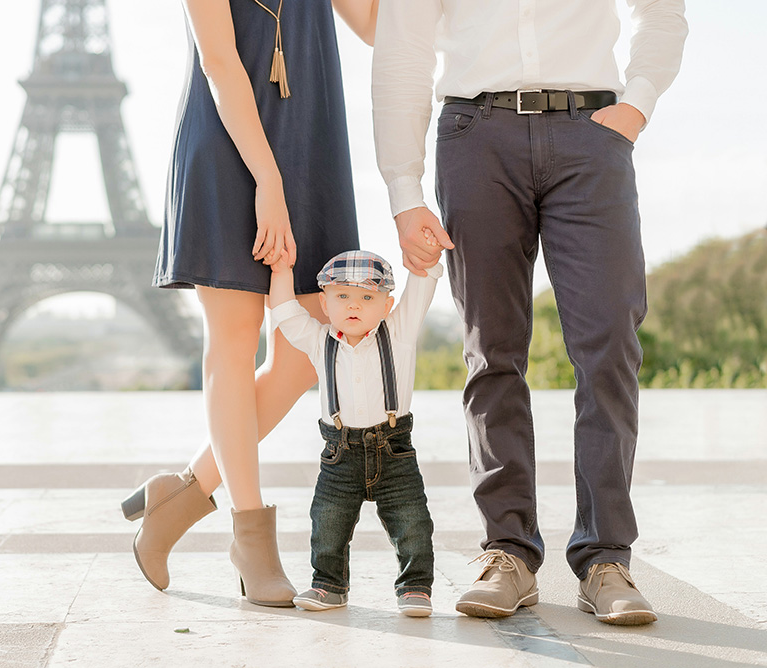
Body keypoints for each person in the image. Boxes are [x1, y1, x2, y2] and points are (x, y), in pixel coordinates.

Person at [372, 0, 687, 625]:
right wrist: (403, 190)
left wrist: (638, 102)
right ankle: (508, 551)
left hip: (593, 131)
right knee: (491, 349)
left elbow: (661, 11)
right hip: (475, 136)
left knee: (609, 344)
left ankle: (606, 559)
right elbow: (403, 52)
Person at [121, 0, 380, 608]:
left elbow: (373, 26)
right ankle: (251, 536)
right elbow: (218, 59)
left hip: (312, 151)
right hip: (230, 148)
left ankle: (182, 497)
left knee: (305, 357)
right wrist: (267, 179)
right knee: (234, 345)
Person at [268, 248, 443, 617]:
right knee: (327, 522)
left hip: (393, 449)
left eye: (368, 297)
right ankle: (328, 584)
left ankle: (415, 587)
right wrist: (282, 270)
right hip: (339, 454)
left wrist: (424, 252)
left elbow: (422, 285)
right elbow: (284, 311)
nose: (354, 305)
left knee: (412, 521)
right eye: (342, 296)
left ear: (387, 304)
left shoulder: (399, 332)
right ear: (324, 302)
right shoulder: (320, 341)